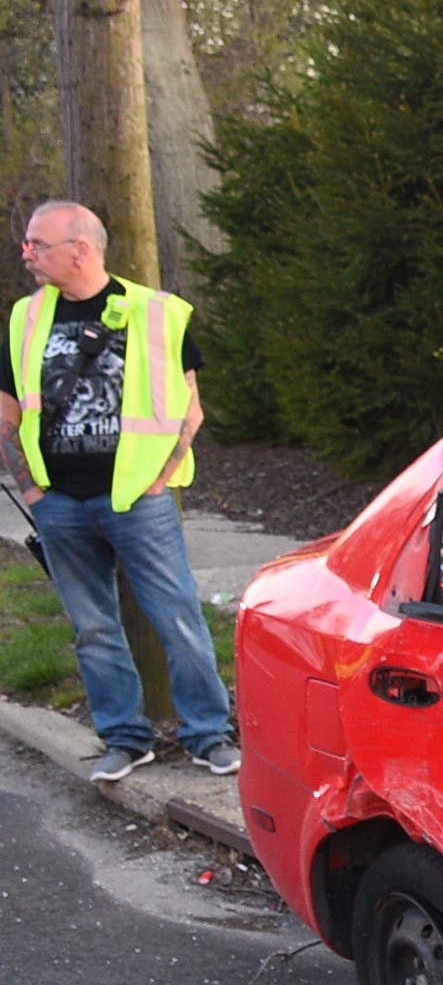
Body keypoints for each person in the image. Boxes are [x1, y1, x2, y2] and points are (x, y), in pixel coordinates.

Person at [0, 200, 239, 781]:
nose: (26, 253)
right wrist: (32, 492)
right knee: (93, 628)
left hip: (138, 502)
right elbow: (7, 414)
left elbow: (190, 409)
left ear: (80, 249)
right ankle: (125, 739)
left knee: (178, 617)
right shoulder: (24, 319)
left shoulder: (156, 313)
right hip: (59, 503)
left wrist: (158, 480)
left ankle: (209, 734)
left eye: (38, 244)